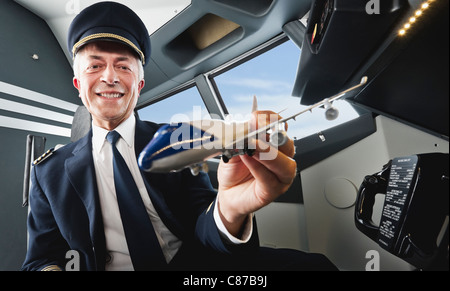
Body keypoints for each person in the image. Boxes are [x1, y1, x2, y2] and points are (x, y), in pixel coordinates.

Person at [21, 1, 336, 271]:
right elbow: (40, 259)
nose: (110, 77)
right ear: (78, 85)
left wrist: (228, 211)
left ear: (139, 86)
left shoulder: (178, 140)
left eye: (123, 66)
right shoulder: (47, 173)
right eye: (95, 66)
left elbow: (203, 222)